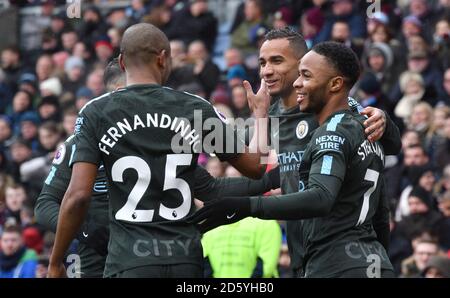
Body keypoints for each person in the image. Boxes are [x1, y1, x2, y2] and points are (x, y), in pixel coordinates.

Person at [47, 23, 271, 278]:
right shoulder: (195, 107)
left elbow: (77, 197)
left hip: (129, 260)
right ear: (163, 59)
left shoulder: (95, 112)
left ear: (121, 62)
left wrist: (55, 263)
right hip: (184, 259)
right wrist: (261, 115)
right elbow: (256, 167)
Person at [189, 42, 395, 278]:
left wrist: (247, 207)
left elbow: (321, 197)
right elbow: (254, 179)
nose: (266, 71)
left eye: (277, 61)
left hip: (334, 263)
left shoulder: (337, 124)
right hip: (357, 262)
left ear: (301, 65)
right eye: (262, 62)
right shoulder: (276, 118)